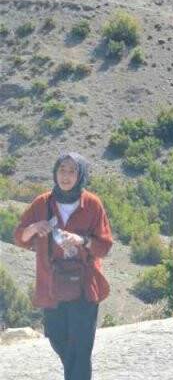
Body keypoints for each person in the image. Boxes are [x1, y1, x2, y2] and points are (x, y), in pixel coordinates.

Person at [14, 153, 113, 380]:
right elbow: (19, 236)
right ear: (54, 173)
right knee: (57, 338)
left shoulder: (92, 204)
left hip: (85, 285)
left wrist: (83, 241)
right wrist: (34, 228)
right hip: (52, 284)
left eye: (72, 171)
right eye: (62, 170)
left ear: (80, 175)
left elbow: (105, 246)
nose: (66, 176)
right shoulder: (42, 203)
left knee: (81, 347)